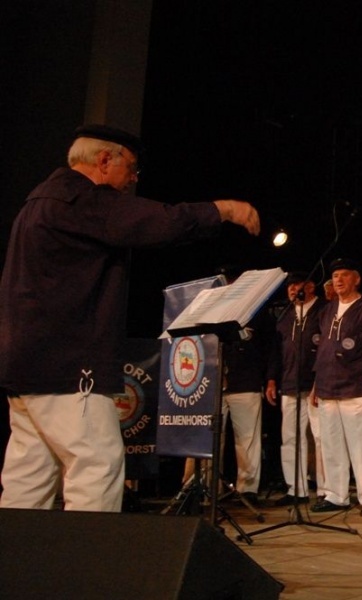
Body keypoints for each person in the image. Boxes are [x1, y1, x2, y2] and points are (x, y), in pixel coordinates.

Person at [0, 124, 259, 512]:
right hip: (68, 367)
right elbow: (158, 222)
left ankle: (16, 552)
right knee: (98, 465)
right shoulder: (81, 199)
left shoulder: (38, 202)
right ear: (105, 160)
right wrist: (223, 210)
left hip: (27, 364)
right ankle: (88, 553)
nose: (133, 178)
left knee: (29, 474)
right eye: (132, 168)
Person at [310, 258, 362, 516]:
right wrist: (316, 384)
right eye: (335, 276)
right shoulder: (328, 310)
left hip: (357, 386)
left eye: (344, 275)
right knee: (331, 445)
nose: (339, 280)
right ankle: (336, 494)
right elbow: (323, 349)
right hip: (327, 387)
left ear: (356, 279)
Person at [266, 272, 326, 506]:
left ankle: (326, 490)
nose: (292, 289)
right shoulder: (285, 316)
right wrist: (272, 379)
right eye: (289, 286)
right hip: (290, 383)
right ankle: (296, 488)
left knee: (321, 437)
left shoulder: (324, 310)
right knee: (290, 437)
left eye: (296, 284)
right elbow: (276, 351)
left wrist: (321, 380)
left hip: (317, 385)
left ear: (310, 286)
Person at [219, 266, 271, 507]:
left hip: (246, 381)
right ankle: (205, 485)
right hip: (213, 384)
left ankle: (247, 488)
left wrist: (268, 378)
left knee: (247, 438)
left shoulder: (256, 310)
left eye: (232, 281)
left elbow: (270, 348)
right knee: (207, 437)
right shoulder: (213, 309)